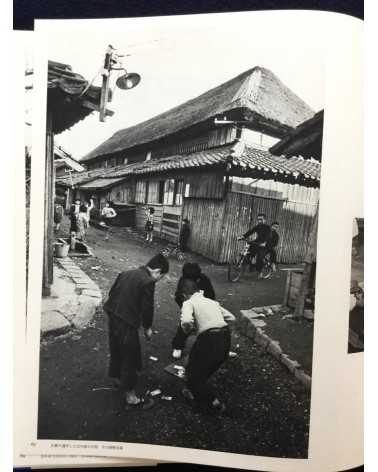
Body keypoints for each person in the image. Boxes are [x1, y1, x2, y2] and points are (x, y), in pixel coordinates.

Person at [103, 254, 169, 407]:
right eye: (161, 277)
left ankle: (116, 377)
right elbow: (147, 308)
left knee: (116, 348)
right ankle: (130, 395)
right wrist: (147, 327)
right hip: (127, 321)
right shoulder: (148, 281)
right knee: (129, 355)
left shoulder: (126, 273)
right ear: (157, 272)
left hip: (113, 314)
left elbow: (112, 293)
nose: (159, 280)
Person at [180, 279, 235, 413]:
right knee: (203, 366)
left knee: (194, 375)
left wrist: (189, 329)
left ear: (184, 294)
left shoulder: (189, 302)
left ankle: (213, 403)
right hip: (225, 337)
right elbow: (232, 318)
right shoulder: (212, 302)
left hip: (209, 339)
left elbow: (186, 321)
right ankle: (192, 389)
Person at [171, 263, 216, 359]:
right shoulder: (183, 280)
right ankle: (178, 346)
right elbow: (178, 296)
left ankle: (211, 348)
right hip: (188, 306)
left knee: (208, 328)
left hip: (204, 307)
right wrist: (185, 307)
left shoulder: (204, 280)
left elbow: (211, 295)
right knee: (184, 324)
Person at [239, 213, 271, 279]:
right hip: (258, 242)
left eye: (261, 219)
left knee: (259, 257)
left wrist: (264, 242)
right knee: (249, 250)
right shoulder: (257, 226)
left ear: (265, 220)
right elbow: (250, 231)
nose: (259, 221)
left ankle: (260, 272)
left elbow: (268, 236)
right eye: (258, 219)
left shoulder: (268, 227)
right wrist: (242, 236)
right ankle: (251, 265)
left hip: (265, 245)